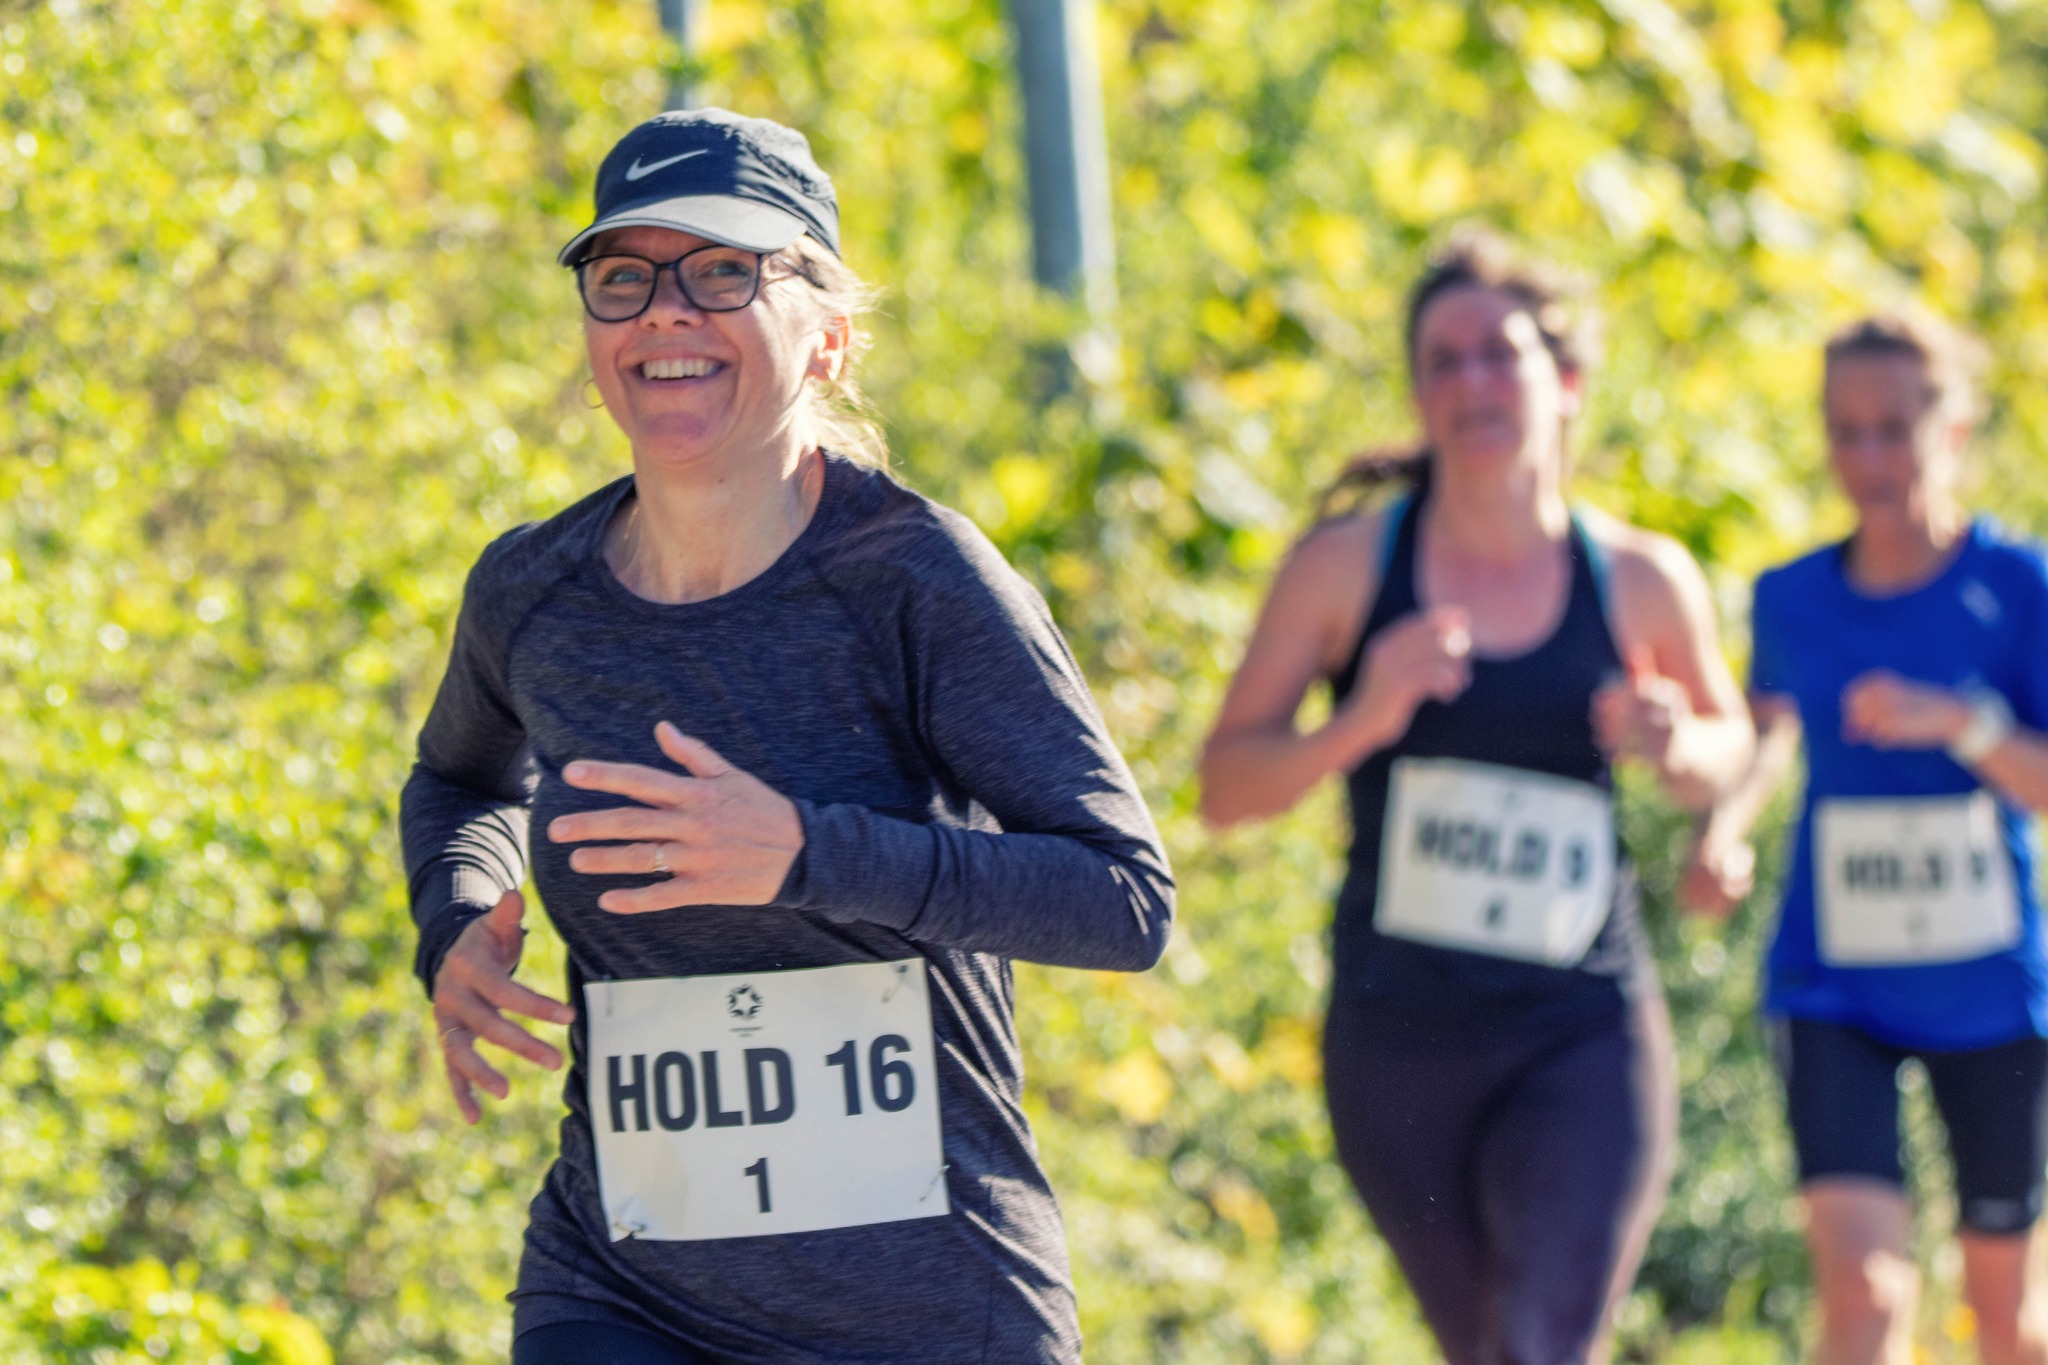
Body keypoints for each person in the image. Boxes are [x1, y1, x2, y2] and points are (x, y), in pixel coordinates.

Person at [401, 108, 1174, 1365]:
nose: (664, 312)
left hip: (925, 1316)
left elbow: (1123, 901)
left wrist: (808, 854)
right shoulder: (532, 594)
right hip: (622, 1289)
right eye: (622, 277)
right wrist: (454, 922)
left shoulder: (917, 583)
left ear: (827, 335)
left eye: (721, 272)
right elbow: (457, 780)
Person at [1199, 231, 1753, 1365]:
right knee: (1488, 1348)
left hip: (1580, 1026)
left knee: (1543, 1339)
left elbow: (1729, 748)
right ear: (1417, 394)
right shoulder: (1347, 568)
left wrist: (1676, 744)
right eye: (1442, 361)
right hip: (1399, 1038)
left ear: (1566, 381)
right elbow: (1223, 787)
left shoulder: (1636, 576)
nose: (1471, 383)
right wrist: (1362, 717)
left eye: (1499, 354)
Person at [1685, 314, 2048, 1365]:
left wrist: (1963, 724)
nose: (1869, 458)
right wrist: (1722, 827)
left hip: (1988, 988)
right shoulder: (1791, 597)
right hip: (1834, 980)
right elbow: (1768, 735)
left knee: (2008, 1324)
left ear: (1953, 429)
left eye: (1894, 429)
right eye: (1846, 432)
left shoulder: (2015, 587)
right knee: (1864, 1294)